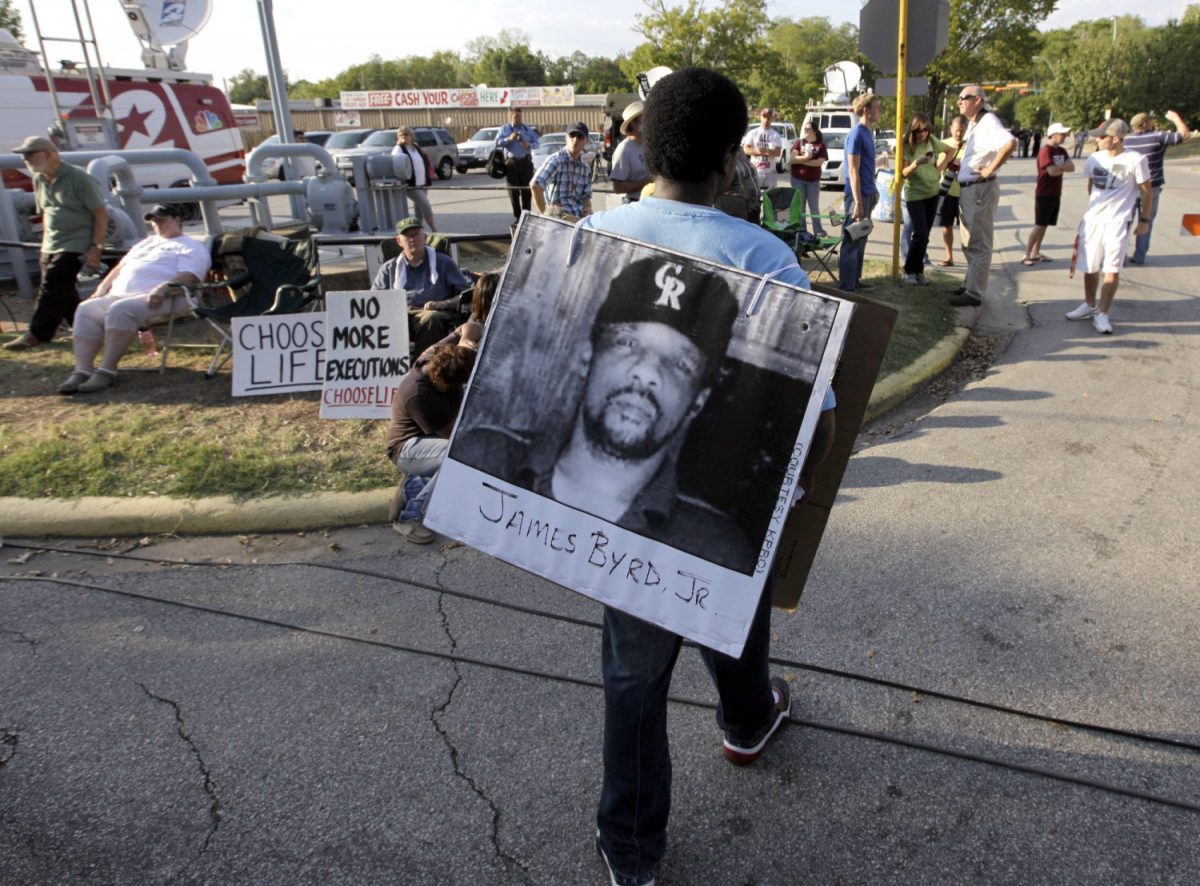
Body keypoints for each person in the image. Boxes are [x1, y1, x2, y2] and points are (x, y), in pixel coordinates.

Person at [575, 67, 834, 886]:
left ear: (644, 146)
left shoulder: (594, 232)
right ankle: (735, 732)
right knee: (718, 595)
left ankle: (634, 847)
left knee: (637, 663)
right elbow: (816, 414)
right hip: (687, 505)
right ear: (731, 160)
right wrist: (798, 494)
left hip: (618, 510)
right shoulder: (764, 254)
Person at [55, 204, 211, 393]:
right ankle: (82, 370)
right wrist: (101, 289)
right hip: (121, 294)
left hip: (167, 297)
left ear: (177, 220)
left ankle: (107, 371)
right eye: (154, 221)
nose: (157, 225)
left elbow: (191, 275)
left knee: (120, 310)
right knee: (86, 309)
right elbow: (120, 268)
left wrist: (163, 288)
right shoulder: (146, 243)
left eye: (162, 220)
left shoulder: (191, 245)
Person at [4, 135, 108, 351]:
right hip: (51, 242)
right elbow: (46, 212)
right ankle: (86, 329)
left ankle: (37, 333)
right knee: (64, 291)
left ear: (48, 153)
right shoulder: (39, 178)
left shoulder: (79, 178)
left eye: (30, 154)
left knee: (51, 287)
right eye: (24, 156)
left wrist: (95, 247)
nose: (26, 159)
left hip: (76, 242)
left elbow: (100, 214)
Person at [1065, 119, 1151, 336]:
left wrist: (1144, 221)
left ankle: (1102, 313)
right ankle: (1088, 304)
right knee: (1089, 266)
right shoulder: (1094, 158)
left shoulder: (1135, 160)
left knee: (1111, 269)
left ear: (1116, 138)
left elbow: (1146, 191)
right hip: (1092, 221)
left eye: (1102, 137)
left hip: (1117, 223)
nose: (1097, 140)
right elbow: (1091, 184)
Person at [385, 342, 476, 543]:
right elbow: (454, 435)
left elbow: (470, 328)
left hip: (427, 442)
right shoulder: (419, 394)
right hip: (405, 449)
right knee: (457, 456)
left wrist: (467, 337)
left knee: (462, 451)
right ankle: (410, 517)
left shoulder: (436, 357)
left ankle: (414, 485)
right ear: (446, 383)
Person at [949, 85, 1017, 307]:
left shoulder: (988, 122)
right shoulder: (975, 123)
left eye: (963, 98)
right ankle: (970, 284)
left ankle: (974, 293)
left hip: (980, 188)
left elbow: (1009, 143)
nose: (959, 102)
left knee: (979, 242)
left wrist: (989, 169)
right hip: (970, 189)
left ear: (977, 100)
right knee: (969, 241)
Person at [372, 217, 471, 355]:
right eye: (407, 235)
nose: (412, 239)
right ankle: (391, 368)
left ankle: (424, 366)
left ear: (424, 237)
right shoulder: (389, 268)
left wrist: (444, 303)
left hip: (431, 313)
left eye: (416, 234)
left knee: (431, 318)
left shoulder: (443, 263)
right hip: (399, 313)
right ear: (399, 241)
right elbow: (373, 300)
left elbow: (467, 295)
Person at [1123, 110, 1191, 264]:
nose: (1152, 123)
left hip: (1129, 187)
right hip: (1151, 186)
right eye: (1150, 121)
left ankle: (1119, 256)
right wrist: (1176, 119)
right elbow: (1184, 135)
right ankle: (1139, 256)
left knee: (1125, 221)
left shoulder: (1126, 141)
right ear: (1144, 123)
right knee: (1146, 220)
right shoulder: (1157, 137)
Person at [898, 112, 950, 285]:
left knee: (925, 235)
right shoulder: (906, 146)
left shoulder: (932, 141)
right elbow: (903, 173)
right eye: (919, 131)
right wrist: (916, 163)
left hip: (932, 193)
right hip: (915, 194)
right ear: (912, 131)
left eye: (926, 130)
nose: (923, 134)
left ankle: (919, 271)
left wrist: (940, 168)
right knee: (919, 233)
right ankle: (908, 270)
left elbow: (950, 150)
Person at [838, 92, 882, 293]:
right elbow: (853, 170)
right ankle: (846, 286)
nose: (879, 111)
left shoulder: (867, 133)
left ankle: (855, 279)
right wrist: (857, 202)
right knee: (852, 239)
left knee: (861, 238)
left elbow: (866, 168)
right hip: (857, 196)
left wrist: (873, 191)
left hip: (867, 193)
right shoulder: (856, 134)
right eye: (877, 108)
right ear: (866, 110)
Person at [1022, 122, 1075, 265]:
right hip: (1044, 192)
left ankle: (1036, 252)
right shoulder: (1046, 151)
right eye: (1062, 134)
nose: (1064, 136)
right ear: (1054, 134)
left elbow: (1072, 167)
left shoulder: (1062, 151)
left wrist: (1059, 167)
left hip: (1056, 192)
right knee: (1039, 224)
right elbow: (1051, 172)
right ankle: (1026, 254)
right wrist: (1062, 167)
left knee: (1045, 225)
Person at [531, 121, 593, 219]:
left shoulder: (585, 168)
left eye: (580, 136)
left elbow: (586, 198)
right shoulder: (556, 160)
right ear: (566, 137)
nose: (575, 139)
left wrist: (588, 210)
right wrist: (545, 215)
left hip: (578, 220)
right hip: (559, 220)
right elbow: (535, 185)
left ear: (586, 140)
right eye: (572, 135)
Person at [932, 115, 967, 267]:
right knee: (947, 225)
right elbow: (937, 167)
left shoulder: (971, 145)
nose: (959, 134)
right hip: (947, 191)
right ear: (951, 128)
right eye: (957, 130)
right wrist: (948, 160)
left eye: (962, 130)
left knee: (967, 227)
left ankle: (970, 259)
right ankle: (949, 256)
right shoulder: (944, 144)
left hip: (965, 191)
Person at [495, 107, 540, 223]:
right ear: (511, 117)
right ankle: (518, 216)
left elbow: (537, 143)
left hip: (526, 162)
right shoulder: (505, 129)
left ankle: (526, 216)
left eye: (520, 116)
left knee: (527, 190)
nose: (519, 118)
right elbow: (496, 143)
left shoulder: (527, 129)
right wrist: (509, 139)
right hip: (511, 163)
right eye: (516, 116)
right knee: (513, 191)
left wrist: (528, 144)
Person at [392, 127, 439, 233]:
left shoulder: (416, 146)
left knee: (419, 208)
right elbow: (396, 164)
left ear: (411, 136)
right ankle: (434, 229)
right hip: (411, 185)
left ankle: (418, 230)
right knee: (425, 204)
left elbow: (424, 160)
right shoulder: (398, 149)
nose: (404, 137)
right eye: (401, 135)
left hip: (422, 182)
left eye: (406, 134)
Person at [790, 122, 828, 236]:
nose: (806, 131)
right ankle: (802, 231)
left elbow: (818, 162)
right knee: (800, 206)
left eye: (808, 129)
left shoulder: (820, 145)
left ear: (814, 131)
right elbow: (792, 158)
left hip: (813, 181)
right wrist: (806, 157)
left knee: (814, 207)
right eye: (805, 129)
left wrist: (802, 161)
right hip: (797, 178)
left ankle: (818, 231)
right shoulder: (799, 142)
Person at [609, 101, 652, 203]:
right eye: (644, 118)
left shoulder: (649, 144)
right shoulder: (624, 149)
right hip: (634, 203)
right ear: (633, 123)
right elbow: (618, 188)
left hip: (651, 203)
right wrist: (647, 181)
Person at [741, 107, 782, 190]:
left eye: (769, 118)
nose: (766, 120)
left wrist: (766, 150)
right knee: (754, 196)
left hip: (770, 171)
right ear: (760, 117)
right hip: (755, 171)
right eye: (764, 117)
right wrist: (757, 151)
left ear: (771, 119)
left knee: (771, 197)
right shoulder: (752, 133)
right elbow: (746, 149)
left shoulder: (775, 135)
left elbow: (778, 153)